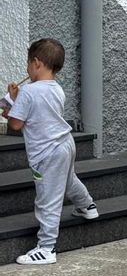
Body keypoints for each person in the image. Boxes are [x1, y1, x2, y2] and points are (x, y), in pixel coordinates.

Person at [3, 39, 99, 264]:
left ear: (36, 63)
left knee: (47, 198)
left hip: (45, 152)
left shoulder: (28, 92)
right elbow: (39, 112)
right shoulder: (56, 89)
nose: (27, 69)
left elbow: (15, 124)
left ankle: (47, 248)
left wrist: (10, 102)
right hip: (65, 143)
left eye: (28, 63)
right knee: (68, 180)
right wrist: (17, 100)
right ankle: (87, 205)